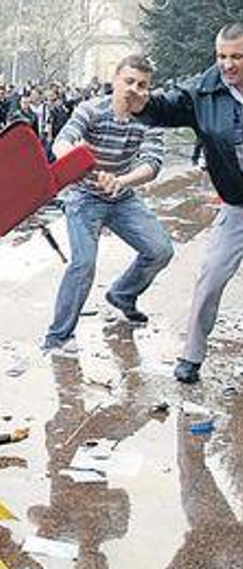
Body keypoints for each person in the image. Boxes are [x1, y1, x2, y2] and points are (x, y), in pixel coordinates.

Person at [42, 54, 172, 357]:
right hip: (83, 196)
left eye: (142, 85)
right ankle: (57, 337)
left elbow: (153, 163)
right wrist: (78, 160)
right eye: (128, 81)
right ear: (114, 80)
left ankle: (122, 295)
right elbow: (61, 143)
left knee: (160, 250)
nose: (134, 90)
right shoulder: (91, 109)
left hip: (122, 196)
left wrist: (122, 182)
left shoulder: (149, 117)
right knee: (83, 263)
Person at [136, 23, 243, 383]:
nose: (228, 65)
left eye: (237, 57)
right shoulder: (204, 90)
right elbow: (165, 107)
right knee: (210, 278)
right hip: (237, 206)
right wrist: (141, 104)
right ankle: (191, 356)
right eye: (222, 57)